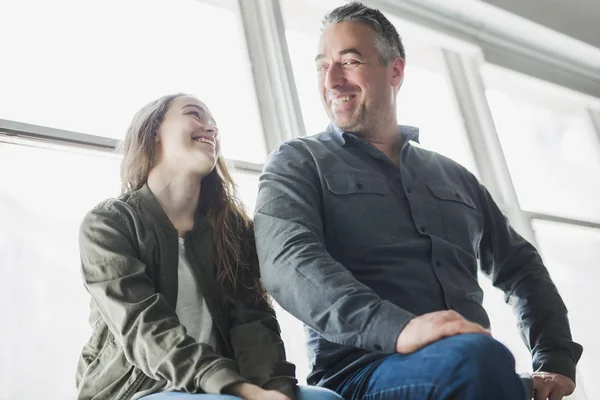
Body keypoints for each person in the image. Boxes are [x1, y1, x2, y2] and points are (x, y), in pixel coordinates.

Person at [254, 3, 583, 400]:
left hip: (473, 371)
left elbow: (522, 267)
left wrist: (554, 359)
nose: (332, 80)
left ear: (395, 70)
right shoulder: (298, 161)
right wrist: (399, 329)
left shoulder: (455, 177)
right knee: (477, 360)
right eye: (322, 66)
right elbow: (287, 261)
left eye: (350, 61)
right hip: (363, 375)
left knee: (483, 365)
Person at [76, 94, 342, 400]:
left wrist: (275, 391)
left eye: (214, 124)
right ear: (153, 132)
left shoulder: (231, 228)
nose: (210, 128)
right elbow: (143, 329)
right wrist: (241, 389)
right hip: (140, 390)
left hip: (222, 388)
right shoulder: (108, 224)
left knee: (326, 399)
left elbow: (253, 323)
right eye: (194, 114)